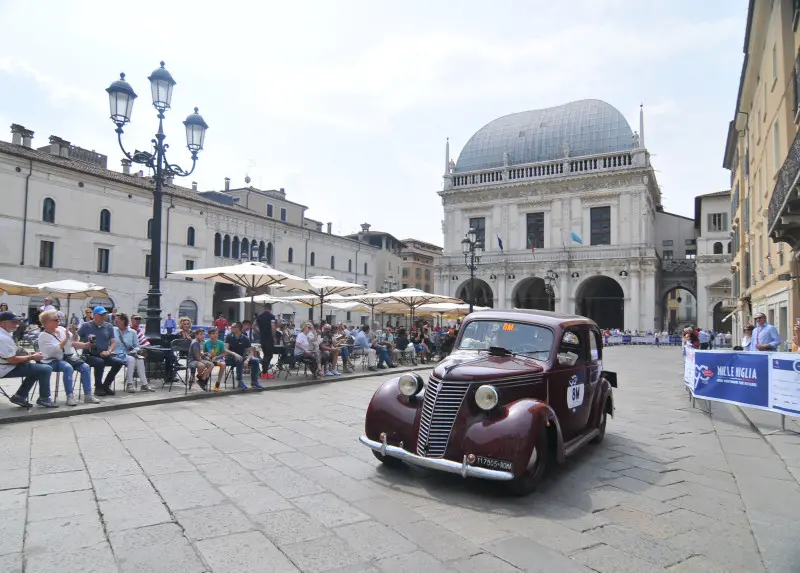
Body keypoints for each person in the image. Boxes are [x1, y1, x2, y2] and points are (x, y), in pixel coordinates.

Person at [37, 310, 97, 406]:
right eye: (56, 320)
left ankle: (88, 395)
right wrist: (65, 339)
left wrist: (76, 334)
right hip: (52, 360)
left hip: (68, 357)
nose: (58, 321)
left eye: (58, 319)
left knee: (85, 367)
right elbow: (55, 350)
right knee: (67, 367)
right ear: (47, 322)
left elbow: (74, 340)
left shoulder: (61, 329)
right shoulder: (43, 336)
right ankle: (70, 396)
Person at [0, 311, 56, 408]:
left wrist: (30, 354)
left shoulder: (4, 334)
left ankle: (20, 396)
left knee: (38, 368)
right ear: (3, 323)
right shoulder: (3, 337)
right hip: (4, 368)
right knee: (45, 369)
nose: (17, 324)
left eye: (17, 322)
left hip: (4, 364)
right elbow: (11, 360)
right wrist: (32, 357)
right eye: (13, 322)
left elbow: (10, 354)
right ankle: (44, 398)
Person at [78, 306, 124, 396]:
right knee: (99, 362)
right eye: (101, 315)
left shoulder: (109, 326)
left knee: (119, 362)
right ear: (94, 315)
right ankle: (98, 387)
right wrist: (85, 343)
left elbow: (114, 343)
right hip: (89, 355)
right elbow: (76, 339)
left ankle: (105, 386)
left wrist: (109, 351)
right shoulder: (86, 326)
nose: (103, 316)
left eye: (104, 314)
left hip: (104, 354)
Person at [114, 313, 155, 393]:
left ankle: (144, 384)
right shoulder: (113, 330)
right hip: (117, 353)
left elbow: (137, 346)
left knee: (140, 359)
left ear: (123, 321)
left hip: (129, 353)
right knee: (132, 359)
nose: (115, 321)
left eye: (117, 320)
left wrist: (134, 350)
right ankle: (129, 384)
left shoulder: (133, 332)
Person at [225, 323, 263, 389]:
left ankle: (254, 381)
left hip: (242, 357)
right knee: (240, 359)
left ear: (238, 328)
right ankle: (240, 381)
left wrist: (247, 360)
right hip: (230, 357)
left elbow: (251, 352)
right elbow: (225, 349)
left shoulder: (245, 338)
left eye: (233, 327)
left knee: (255, 360)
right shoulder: (229, 336)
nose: (231, 328)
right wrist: (234, 354)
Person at [256, 304, 277, 380]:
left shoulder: (259, 316)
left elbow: (254, 326)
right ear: (270, 309)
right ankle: (264, 372)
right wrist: (274, 336)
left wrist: (260, 332)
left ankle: (264, 371)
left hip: (262, 339)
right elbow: (273, 327)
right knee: (269, 355)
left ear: (264, 308)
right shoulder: (271, 316)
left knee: (265, 355)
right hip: (269, 338)